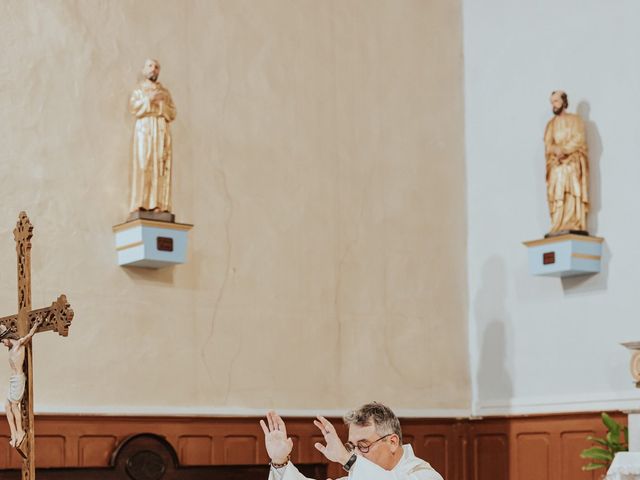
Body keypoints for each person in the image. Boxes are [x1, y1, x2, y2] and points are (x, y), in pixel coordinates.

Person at [260, 402, 444, 479]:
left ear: (393, 442)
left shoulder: (424, 475)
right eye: (352, 447)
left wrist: (347, 459)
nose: (355, 453)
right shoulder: (359, 476)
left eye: (363, 445)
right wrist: (280, 462)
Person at [129, 58, 177, 214]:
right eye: (150, 66)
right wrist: (149, 100)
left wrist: (161, 104)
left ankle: (159, 203)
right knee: (144, 164)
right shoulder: (139, 91)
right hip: (145, 130)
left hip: (161, 130)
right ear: (144, 70)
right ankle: (141, 202)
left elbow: (172, 112)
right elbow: (135, 108)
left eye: (157, 67)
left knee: (160, 166)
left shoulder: (165, 93)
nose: (153, 69)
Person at [544, 90, 589, 235]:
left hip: (571, 161)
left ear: (564, 102)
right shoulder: (551, 125)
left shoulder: (575, 120)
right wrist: (555, 151)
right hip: (557, 162)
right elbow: (548, 144)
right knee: (555, 182)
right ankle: (558, 222)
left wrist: (563, 150)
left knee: (568, 175)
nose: (554, 105)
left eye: (556, 101)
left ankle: (572, 220)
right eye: (552, 102)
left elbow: (579, 139)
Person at [1, 318, 42, 448]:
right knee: (7, 406)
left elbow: (29, 335)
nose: (3, 344)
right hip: (13, 380)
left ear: (8, 338)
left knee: (14, 406)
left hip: (18, 379)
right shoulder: (11, 349)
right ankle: (13, 434)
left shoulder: (19, 344)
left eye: (3, 341)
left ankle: (20, 432)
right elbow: (3, 328)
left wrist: (36, 324)